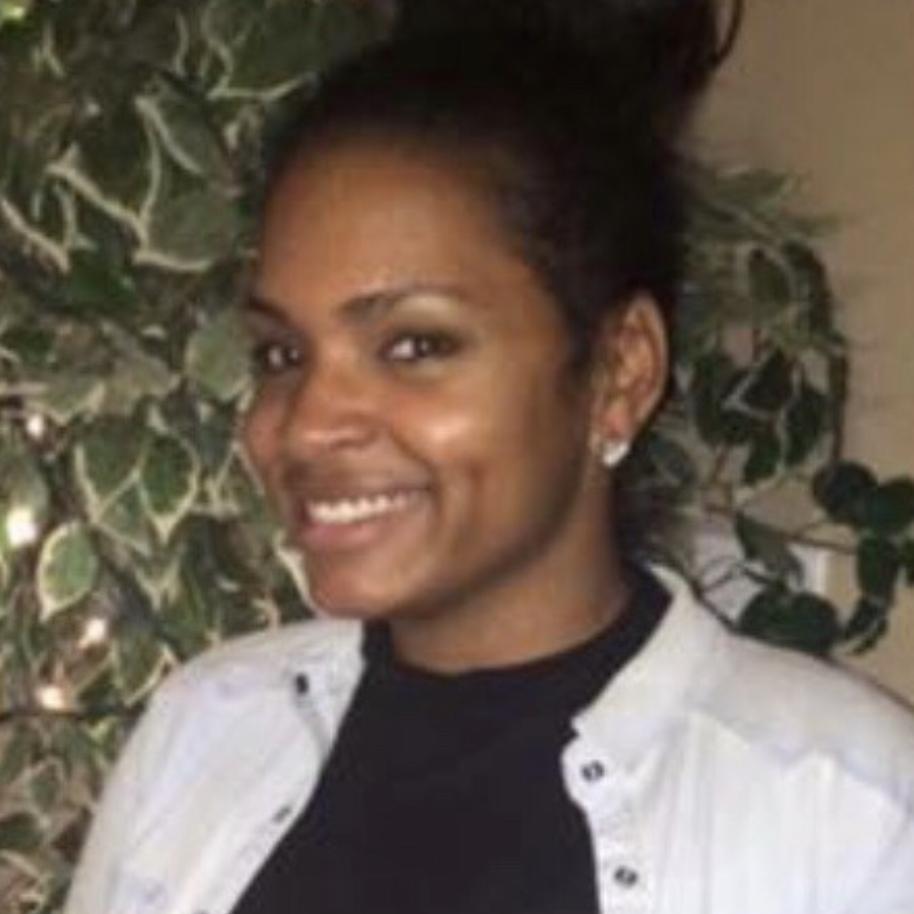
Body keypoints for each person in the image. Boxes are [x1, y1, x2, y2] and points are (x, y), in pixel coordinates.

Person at [64, 3, 914, 913]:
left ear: (620, 372)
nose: (303, 426)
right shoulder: (206, 731)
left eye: (415, 345)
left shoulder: (839, 811)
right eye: (282, 354)